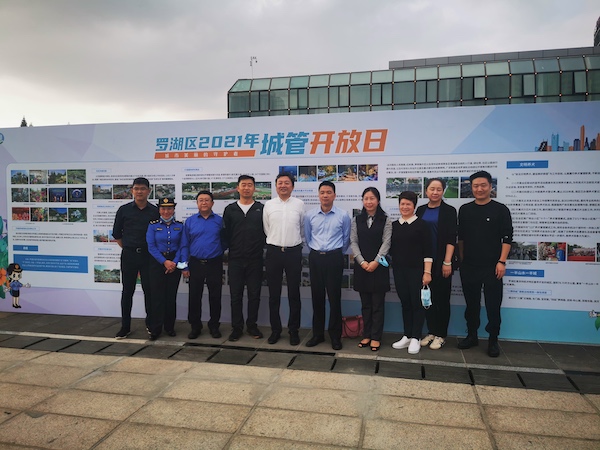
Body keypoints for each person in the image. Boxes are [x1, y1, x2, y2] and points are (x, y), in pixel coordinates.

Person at [457, 170, 512, 357]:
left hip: (492, 267)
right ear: (471, 187)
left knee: (493, 305)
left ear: (490, 186)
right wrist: (462, 260)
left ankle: (493, 340)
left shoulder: (500, 209)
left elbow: (507, 238)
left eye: (483, 185)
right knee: (471, 305)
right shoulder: (465, 210)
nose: (479, 189)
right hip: (469, 266)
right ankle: (472, 335)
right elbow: (461, 238)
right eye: (475, 186)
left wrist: (501, 261)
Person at [304, 181, 351, 350]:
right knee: (317, 297)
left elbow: (346, 238)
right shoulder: (310, 215)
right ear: (318, 195)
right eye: (322, 192)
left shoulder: (343, 215)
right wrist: (317, 252)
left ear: (334, 195)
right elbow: (308, 237)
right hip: (316, 258)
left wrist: (335, 252)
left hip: (334, 258)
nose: (325, 195)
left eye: (329, 192)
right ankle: (317, 334)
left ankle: (335, 336)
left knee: (334, 298)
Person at [112, 177, 159, 339]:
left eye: (143, 189)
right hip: (129, 255)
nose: (139, 191)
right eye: (136, 188)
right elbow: (117, 234)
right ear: (132, 190)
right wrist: (128, 248)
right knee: (127, 292)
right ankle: (125, 327)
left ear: (149, 191)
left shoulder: (154, 211)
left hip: (148, 256)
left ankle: (151, 325)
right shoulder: (124, 210)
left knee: (150, 291)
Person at [222, 175, 266, 342]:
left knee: (254, 294)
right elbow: (225, 233)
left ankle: (252, 325)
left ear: (254, 188)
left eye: (250, 185)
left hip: (255, 259)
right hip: (235, 259)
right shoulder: (230, 209)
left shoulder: (261, 208)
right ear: (238, 188)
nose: (246, 188)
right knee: (236, 295)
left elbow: (266, 232)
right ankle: (237, 327)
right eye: (243, 185)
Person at [263, 172, 304, 345]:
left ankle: (294, 331)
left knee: (294, 293)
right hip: (274, 252)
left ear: (292, 186)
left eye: (287, 183)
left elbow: (301, 228)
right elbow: (267, 228)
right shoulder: (269, 205)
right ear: (276, 186)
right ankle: (276, 330)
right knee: (274, 294)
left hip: (293, 252)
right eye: (280, 183)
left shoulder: (299, 204)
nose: (283, 185)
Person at [390, 191, 433, 355]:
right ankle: (407, 335)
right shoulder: (394, 225)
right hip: (399, 270)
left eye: (408, 204)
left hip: (417, 271)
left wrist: (427, 272)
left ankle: (416, 337)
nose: (405, 207)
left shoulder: (422, 225)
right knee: (405, 303)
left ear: (414, 206)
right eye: (402, 203)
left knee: (417, 304)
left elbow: (428, 251)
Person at [416, 178, 457, 350]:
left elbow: (451, 238)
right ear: (426, 191)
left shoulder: (449, 211)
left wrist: (447, 262)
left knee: (442, 299)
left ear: (443, 191)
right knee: (427, 298)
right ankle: (432, 331)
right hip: (424, 262)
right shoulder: (421, 210)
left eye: (439, 189)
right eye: (432, 189)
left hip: (441, 261)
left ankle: (441, 335)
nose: (435, 192)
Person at [350, 187, 392, 352]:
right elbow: (353, 241)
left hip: (379, 267)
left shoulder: (385, 220)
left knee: (378, 305)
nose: (369, 202)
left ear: (378, 200)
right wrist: (361, 261)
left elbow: (386, 243)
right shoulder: (357, 220)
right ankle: (366, 335)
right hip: (362, 267)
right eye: (366, 198)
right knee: (366, 305)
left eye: (372, 198)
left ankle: (376, 337)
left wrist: (375, 262)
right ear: (362, 201)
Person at [181, 191, 226, 340]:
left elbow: (225, 241)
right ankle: (195, 327)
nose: (204, 202)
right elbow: (184, 245)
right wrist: (184, 266)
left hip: (214, 263)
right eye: (201, 200)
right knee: (194, 297)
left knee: (215, 296)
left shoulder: (219, 221)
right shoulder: (190, 221)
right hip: (195, 263)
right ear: (197, 203)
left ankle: (214, 326)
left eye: (207, 200)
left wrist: (217, 251)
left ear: (212, 203)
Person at [146, 198, 184, 340]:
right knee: (157, 297)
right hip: (157, 263)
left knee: (170, 297)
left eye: (169, 208)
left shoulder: (180, 226)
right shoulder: (153, 226)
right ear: (159, 210)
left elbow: (182, 246)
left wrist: (174, 262)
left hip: (174, 263)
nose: (166, 211)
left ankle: (169, 327)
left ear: (173, 209)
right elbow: (151, 247)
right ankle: (156, 329)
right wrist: (164, 262)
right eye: (163, 208)